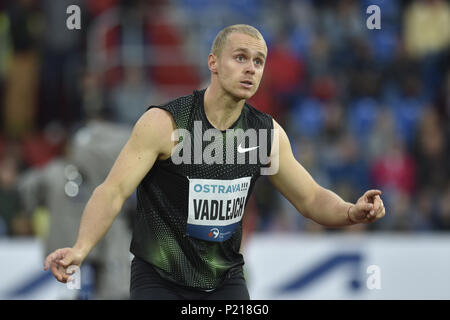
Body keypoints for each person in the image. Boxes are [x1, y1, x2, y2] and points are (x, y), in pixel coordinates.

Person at [44, 24, 386, 300]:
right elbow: (113, 191)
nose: (251, 68)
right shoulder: (166, 124)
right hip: (160, 279)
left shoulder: (266, 134)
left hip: (224, 280)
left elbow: (310, 198)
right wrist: (81, 247)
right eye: (240, 57)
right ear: (213, 63)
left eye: (259, 61)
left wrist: (349, 212)